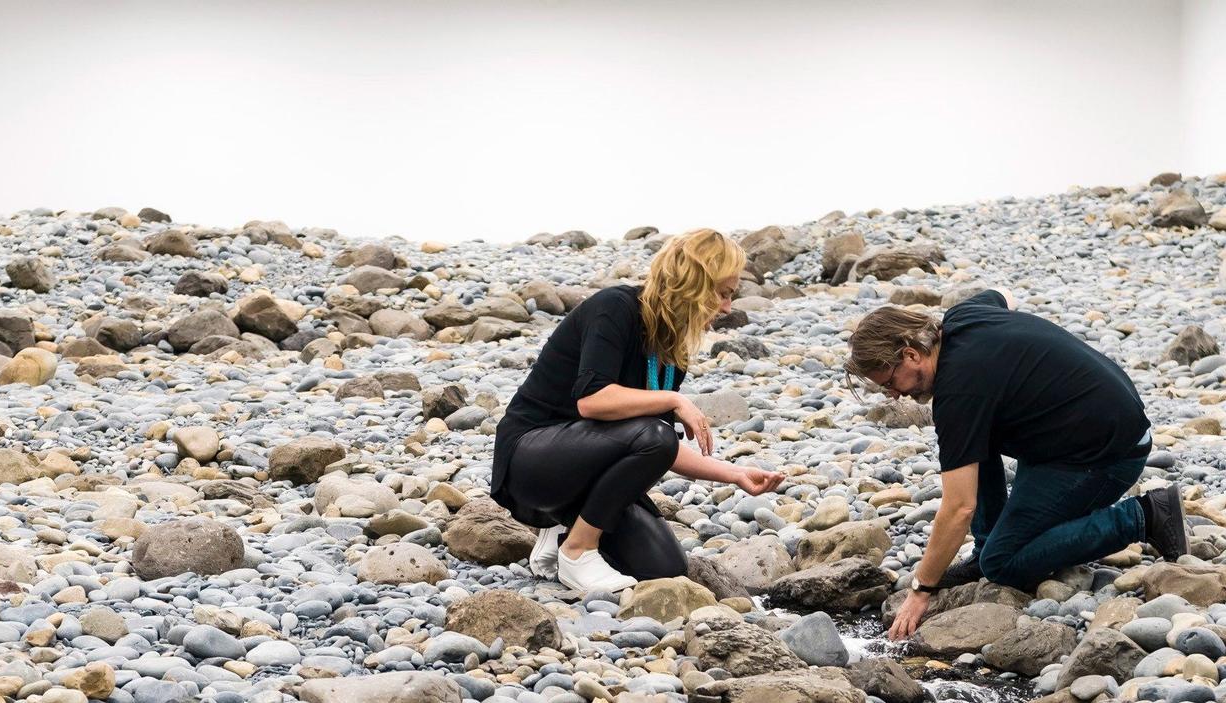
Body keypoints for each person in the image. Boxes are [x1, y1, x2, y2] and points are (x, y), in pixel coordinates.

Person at [844, 288, 1188, 640]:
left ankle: (1144, 516)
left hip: (1107, 455)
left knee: (1003, 563)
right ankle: (986, 546)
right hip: (1081, 433)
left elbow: (959, 508)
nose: (894, 395)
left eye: (890, 382)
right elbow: (1002, 296)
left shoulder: (959, 390)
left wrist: (921, 589)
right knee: (978, 444)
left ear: (911, 354)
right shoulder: (963, 318)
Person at [491, 228, 784, 596]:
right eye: (722, 293)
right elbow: (592, 400)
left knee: (665, 566)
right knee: (655, 433)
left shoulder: (671, 350)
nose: (727, 307)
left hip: (584, 472)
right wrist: (674, 401)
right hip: (529, 462)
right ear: (692, 284)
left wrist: (735, 474)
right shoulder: (616, 308)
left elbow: (656, 450)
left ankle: (564, 526)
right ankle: (577, 550)